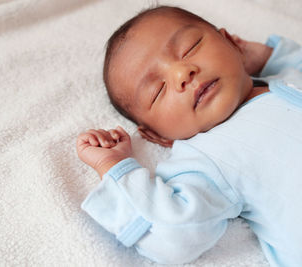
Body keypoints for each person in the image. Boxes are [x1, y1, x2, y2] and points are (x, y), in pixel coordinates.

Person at [76, 6, 302, 267]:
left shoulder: (285, 77)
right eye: (157, 91)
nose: (182, 73)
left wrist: (265, 56)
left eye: (190, 47)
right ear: (158, 137)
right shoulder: (205, 155)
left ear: (230, 42)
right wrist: (113, 167)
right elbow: (170, 231)